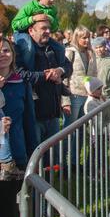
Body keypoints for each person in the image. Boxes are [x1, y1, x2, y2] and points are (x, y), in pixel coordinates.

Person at [15, 15, 72, 164]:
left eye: (49, 28)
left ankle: (50, 183)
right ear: (31, 30)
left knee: (52, 154)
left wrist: (60, 71)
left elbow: (68, 66)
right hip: (34, 114)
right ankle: (34, 185)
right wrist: (45, 75)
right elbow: (19, 73)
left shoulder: (53, 48)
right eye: (43, 28)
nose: (48, 31)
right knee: (35, 155)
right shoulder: (22, 50)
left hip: (53, 112)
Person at [0, 38, 37, 217]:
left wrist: (34, 154)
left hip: (17, 154)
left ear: (13, 55)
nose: (2, 55)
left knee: (11, 211)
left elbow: (29, 122)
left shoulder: (21, 83)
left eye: (6, 50)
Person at [63, 26, 97, 166]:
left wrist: (95, 92)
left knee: (82, 131)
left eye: (88, 37)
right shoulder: (70, 52)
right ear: (77, 38)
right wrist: (65, 100)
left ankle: (75, 162)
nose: (86, 40)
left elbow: (93, 75)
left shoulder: (90, 52)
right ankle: (63, 163)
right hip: (73, 95)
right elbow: (64, 76)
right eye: (83, 37)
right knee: (68, 131)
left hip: (87, 96)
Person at [11, 0, 65, 69]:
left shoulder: (53, 10)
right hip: (22, 33)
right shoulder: (29, 7)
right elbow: (14, 24)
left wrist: (51, 19)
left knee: (60, 48)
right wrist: (32, 19)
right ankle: (30, 71)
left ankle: (59, 70)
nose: (52, 0)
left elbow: (55, 28)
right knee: (29, 47)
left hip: (40, 34)